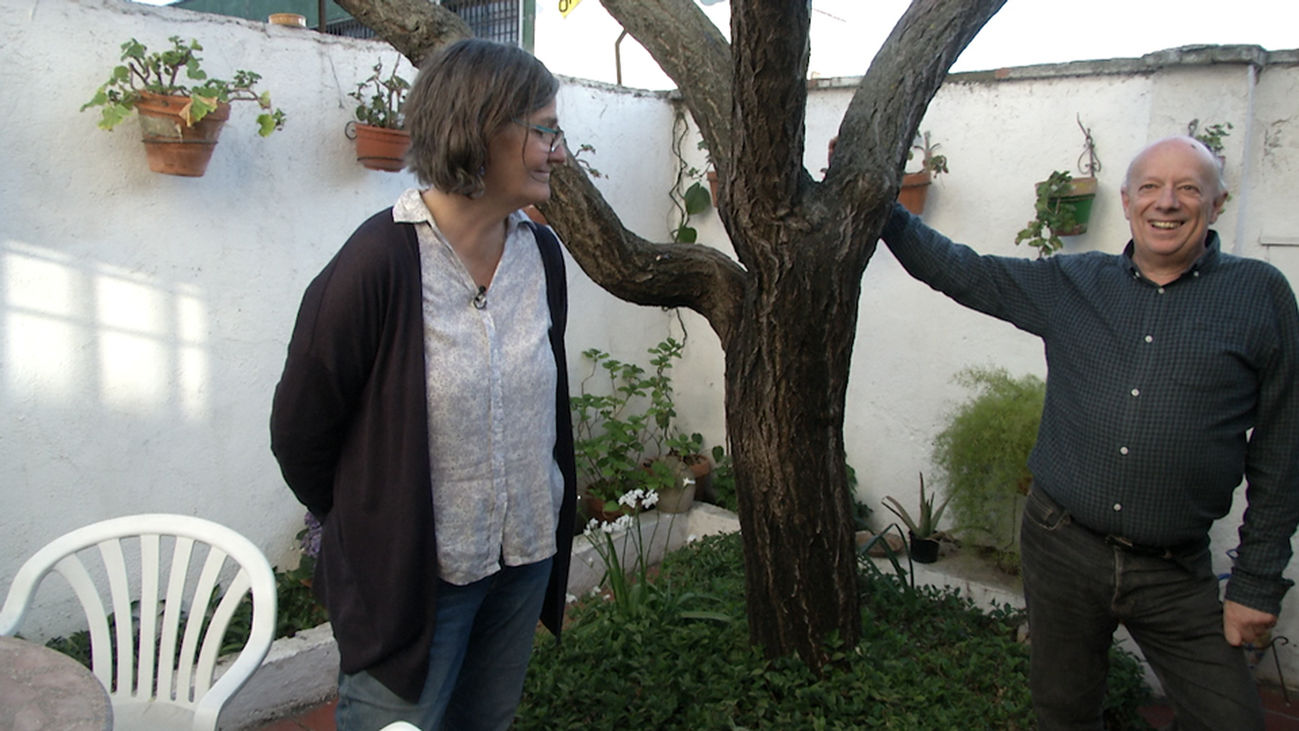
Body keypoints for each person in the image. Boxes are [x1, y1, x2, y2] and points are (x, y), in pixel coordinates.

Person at [879, 135, 1299, 730]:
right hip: (1063, 548)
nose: (1167, 202)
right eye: (1150, 187)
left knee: (1229, 721)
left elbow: (1284, 449)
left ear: (1217, 204)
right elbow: (963, 272)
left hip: (1174, 570)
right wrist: (880, 198)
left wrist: (1256, 583)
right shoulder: (1074, 284)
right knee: (1065, 711)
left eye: (1187, 188)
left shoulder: (1260, 296)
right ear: (1127, 202)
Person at [269, 39, 576, 730]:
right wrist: (375, 523)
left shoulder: (541, 257)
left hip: (524, 559)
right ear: (483, 130)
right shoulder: (376, 262)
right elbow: (300, 434)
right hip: (413, 583)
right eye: (545, 131)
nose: (557, 153)